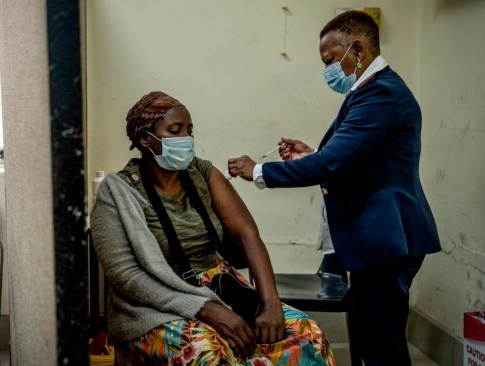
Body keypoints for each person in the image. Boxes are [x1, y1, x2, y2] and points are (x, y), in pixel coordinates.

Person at [228, 11, 441, 365]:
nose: (327, 69)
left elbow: (333, 164)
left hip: (387, 235)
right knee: (369, 334)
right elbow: (353, 157)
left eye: (330, 60)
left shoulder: (382, 95)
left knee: (381, 343)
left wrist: (260, 171)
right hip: (376, 236)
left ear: (357, 48)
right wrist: (310, 155)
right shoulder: (369, 91)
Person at [90, 91, 335, 365]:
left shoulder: (201, 173)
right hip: (156, 303)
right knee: (208, 351)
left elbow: (246, 235)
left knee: (306, 333)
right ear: (146, 138)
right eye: (175, 130)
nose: (186, 138)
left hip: (218, 287)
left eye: (189, 130)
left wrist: (271, 303)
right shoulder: (119, 192)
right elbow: (127, 277)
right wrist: (204, 309)